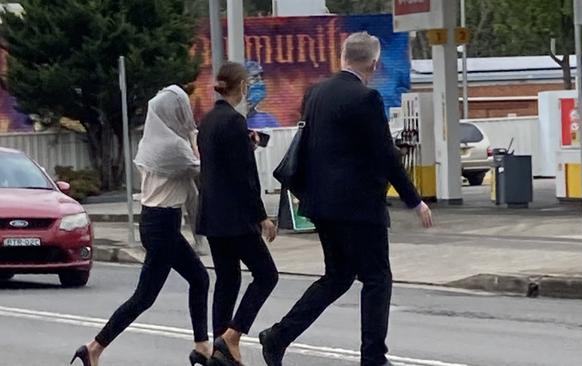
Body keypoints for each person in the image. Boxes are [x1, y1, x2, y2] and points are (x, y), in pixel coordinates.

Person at [258, 32, 434, 366]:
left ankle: (278, 336)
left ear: (342, 57)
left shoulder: (317, 93)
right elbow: (386, 156)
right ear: (374, 63)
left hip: (322, 207)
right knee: (377, 278)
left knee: (337, 277)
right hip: (358, 208)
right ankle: (373, 358)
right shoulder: (366, 98)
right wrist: (415, 200)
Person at [71, 86, 211, 366]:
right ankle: (93, 347)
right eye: (182, 109)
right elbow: (200, 168)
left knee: (199, 279)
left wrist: (192, 134)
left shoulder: (155, 141)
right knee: (144, 297)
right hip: (162, 224)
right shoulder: (172, 148)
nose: (187, 115)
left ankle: (202, 346)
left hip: (157, 222)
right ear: (174, 113)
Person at [197, 62, 279, 366]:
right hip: (236, 217)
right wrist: (262, 216)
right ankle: (232, 337)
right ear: (242, 87)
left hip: (213, 215)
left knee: (227, 279)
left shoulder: (207, 121)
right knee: (267, 275)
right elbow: (244, 176)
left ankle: (220, 347)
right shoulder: (234, 122)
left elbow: (218, 166)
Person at [245, 61, 280, 129]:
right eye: (254, 78)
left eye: (261, 78)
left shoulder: (268, 120)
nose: (260, 83)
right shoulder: (227, 120)